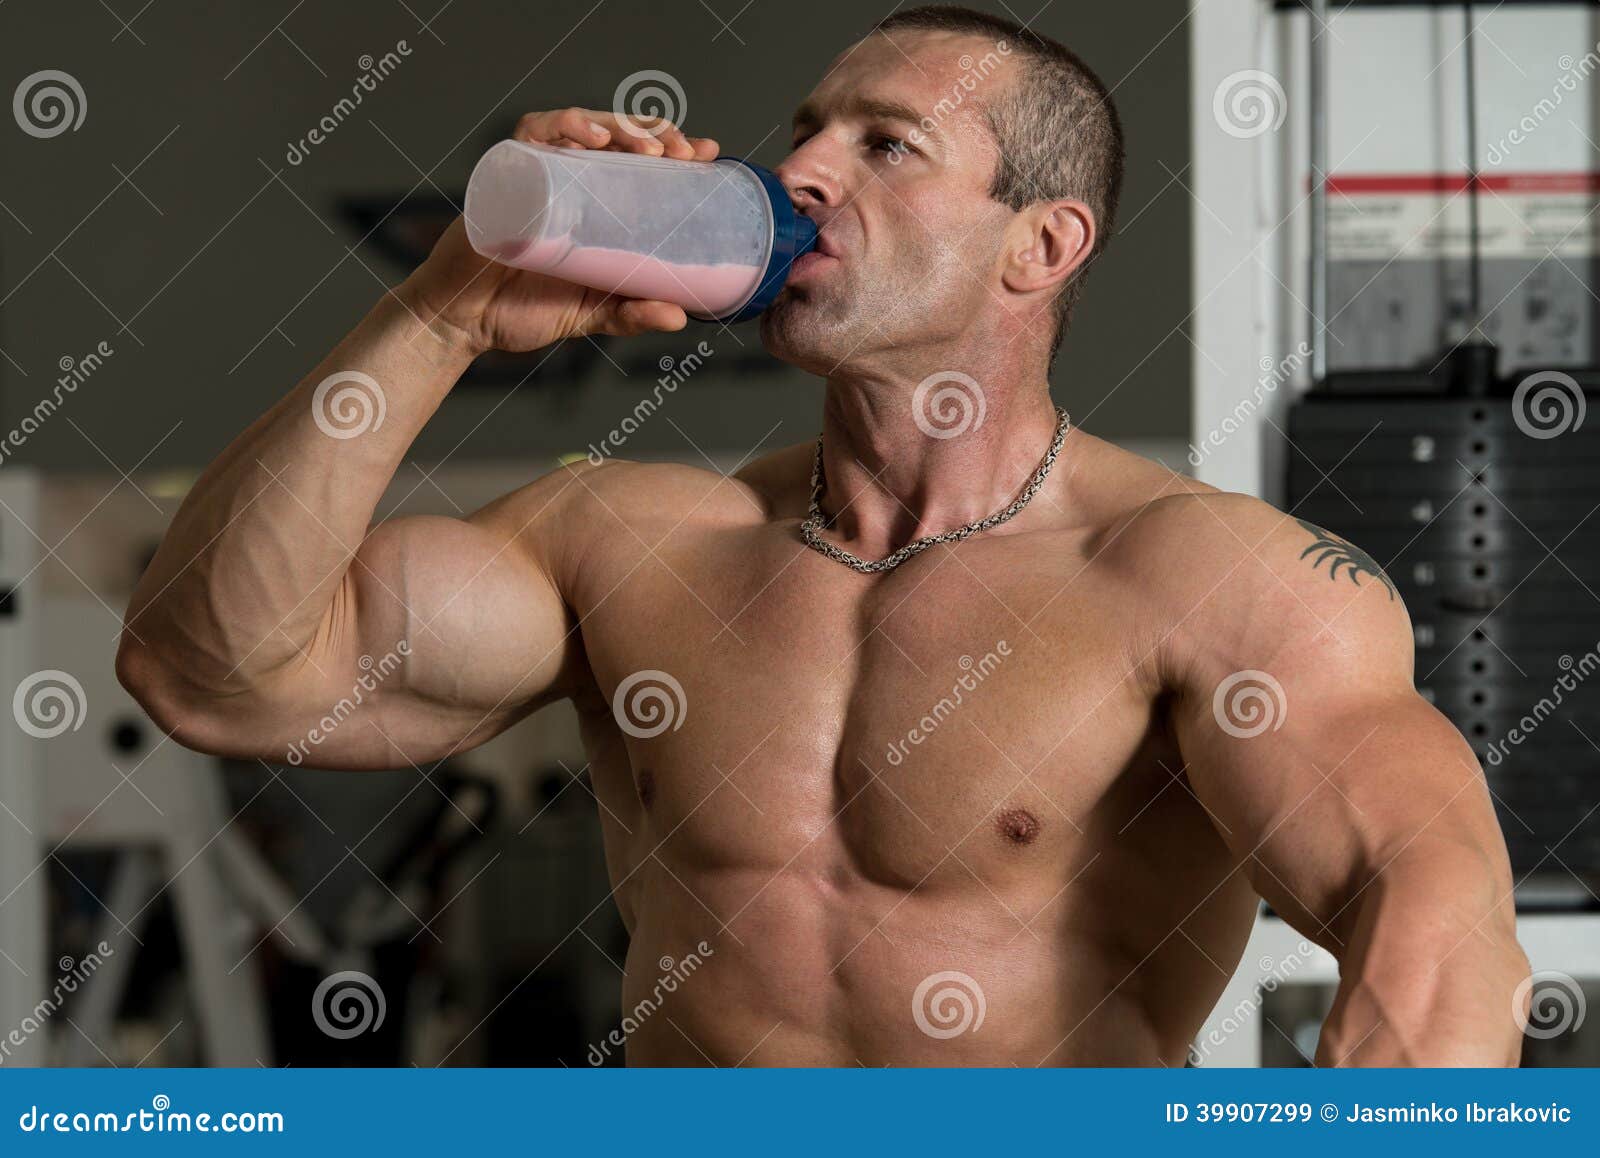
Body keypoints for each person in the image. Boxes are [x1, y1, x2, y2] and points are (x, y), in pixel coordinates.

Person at [117, 6, 1530, 1065]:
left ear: (1040, 246)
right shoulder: (629, 540)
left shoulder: (1200, 578)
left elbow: (1435, 916)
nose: (798, 169)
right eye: (804, 129)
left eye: (883, 145)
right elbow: (211, 673)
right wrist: (438, 317)